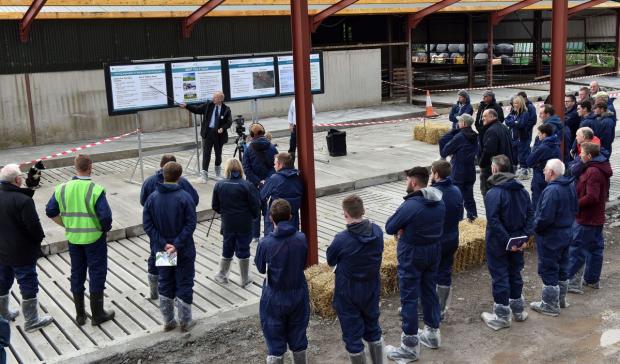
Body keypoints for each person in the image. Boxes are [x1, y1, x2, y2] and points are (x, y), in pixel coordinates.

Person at [384, 167, 445, 361]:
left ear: (413, 182)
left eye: (407, 179)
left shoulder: (410, 206)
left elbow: (389, 226)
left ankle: (409, 346)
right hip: (433, 250)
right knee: (429, 291)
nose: (406, 183)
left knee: (409, 296)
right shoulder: (439, 201)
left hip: (412, 253)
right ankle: (433, 334)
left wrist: (404, 229)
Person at [46, 154, 115, 326]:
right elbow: (105, 217)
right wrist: (103, 230)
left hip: (74, 239)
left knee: (77, 273)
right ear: (90, 167)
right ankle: (98, 314)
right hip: (94, 239)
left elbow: (50, 210)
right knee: (97, 273)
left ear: (74, 167)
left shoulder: (61, 188)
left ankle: (80, 315)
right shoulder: (95, 189)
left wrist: (67, 224)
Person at [326, 195, 384, 364]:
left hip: (348, 291)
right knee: (373, 327)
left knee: (352, 335)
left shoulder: (341, 239)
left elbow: (330, 261)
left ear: (345, 215)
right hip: (371, 287)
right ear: (363, 210)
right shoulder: (378, 231)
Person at [143, 162, 197, 332]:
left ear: (162, 175)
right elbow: (191, 224)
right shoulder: (185, 197)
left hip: (163, 249)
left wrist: (162, 243)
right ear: (179, 177)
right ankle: (185, 321)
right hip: (184, 249)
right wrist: (177, 244)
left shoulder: (152, 198)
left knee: (165, 281)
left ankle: (168, 321)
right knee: (184, 281)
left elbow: (148, 225)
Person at [481, 155, 534, 331]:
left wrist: (508, 240)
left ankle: (502, 316)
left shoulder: (494, 193)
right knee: (515, 273)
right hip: (517, 241)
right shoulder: (522, 191)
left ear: (495, 170)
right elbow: (530, 215)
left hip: (499, 243)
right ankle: (518, 311)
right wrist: (524, 237)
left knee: (500, 276)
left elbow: (494, 221)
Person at [255, 199, 310, 364]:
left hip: (274, 295)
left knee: (274, 337)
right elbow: (304, 262)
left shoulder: (265, 243)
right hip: (298, 292)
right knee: (298, 335)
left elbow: (261, 268)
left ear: (271, 218)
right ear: (291, 216)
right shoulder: (301, 238)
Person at [0, 164, 53, 331]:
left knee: (2, 281)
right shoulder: (24, 201)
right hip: (21, 251)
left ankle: (3, 315)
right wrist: (38, 241)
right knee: (28, 283)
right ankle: (31, 321)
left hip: (1, 250)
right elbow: (34, 228)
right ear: (17, 180)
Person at [530, 159, 577, 316]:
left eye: (545, 169)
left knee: (549, 268)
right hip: (567, 232)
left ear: (551, 173)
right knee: (563, 266)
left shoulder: (552, 191)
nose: (543, 172)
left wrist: (534, 228)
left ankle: (550, 305)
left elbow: (545, 218)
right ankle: (560, 300)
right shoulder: (570, 185)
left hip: (552, 236)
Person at [567, 143, 613, 294]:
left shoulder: (593, 171)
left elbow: (592, 196)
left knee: (577, 250)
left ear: (589, 156)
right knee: (595, 249)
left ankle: (568, 281)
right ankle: (592, 280)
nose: (579, 156)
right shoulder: (598, 167)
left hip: (587, 218)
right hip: (596, 217)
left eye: (582, 154)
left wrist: (575, 204)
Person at [211, 158, 260, 287]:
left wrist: (225, 212)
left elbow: (215, 206)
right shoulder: (247, 185)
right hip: (244, 223)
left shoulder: (219, 185)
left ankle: (222, 275)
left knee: (227, 247)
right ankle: (245, 279)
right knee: (243, 248)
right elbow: (255, 205)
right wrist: (253, 217)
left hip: (166, 243)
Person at [430, 160, 463, 320]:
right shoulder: (456, 190)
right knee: (445, 272)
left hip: (436, 240)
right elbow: (460, 216)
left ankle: (428, 309)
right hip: (452, 238)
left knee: (429, 274)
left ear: (436, 174)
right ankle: (441, 309)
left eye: (431, 172)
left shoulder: (431, 193)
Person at [180, 91, 232, 181]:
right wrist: (187, 106)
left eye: (215, 97)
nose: (213, 99)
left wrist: (223, 128)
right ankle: (204, 174)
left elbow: (229, 122)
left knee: (218, 154)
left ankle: (218, 173)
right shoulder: (209, 105)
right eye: (213, 97)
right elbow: (197, 110)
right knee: (206, 153)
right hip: (208, 133)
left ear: (220, 99)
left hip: (219, 134)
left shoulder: (226, 109)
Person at [243, 123, 279, 242]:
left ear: (252, 135)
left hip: (253, 185)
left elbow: (247, 169)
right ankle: (268, 234)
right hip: (269, 183)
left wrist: (258, 181)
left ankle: (255, 236)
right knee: (268, 209)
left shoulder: (248, 149)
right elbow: (275, 167)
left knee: (255, 209)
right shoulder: (272, 147)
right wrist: (267, 181)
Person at [439, 114, 478, 221]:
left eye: (459, 121)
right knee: (469, 198)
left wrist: (451, 133)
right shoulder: (475, 135)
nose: (457, 123)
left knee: (457, 198)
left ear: (464, 124)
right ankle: (473, 218)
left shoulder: (459, 136)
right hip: (470, 171)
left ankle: (458, 221)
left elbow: (444, 151)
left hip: (458, 172)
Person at [261, 152, 303, 235]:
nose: (274, 166)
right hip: (292, 218)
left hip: (275, 221)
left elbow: (262, 195)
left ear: (280, 165)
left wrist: (264, 184)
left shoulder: (274, 179)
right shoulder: (298, 178)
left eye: (275, 164)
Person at [478, 109, 514, 197]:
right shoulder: (504, 127)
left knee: (490, 196)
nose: (482, 118)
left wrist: (481, 164)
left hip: (493, 170)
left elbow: (488, 151)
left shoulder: (491, 131)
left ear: (492, 117)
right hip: (506, 166)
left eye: (484, 116)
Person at [526, 124, 560, 208]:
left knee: (537, 204)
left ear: (544, 134)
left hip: (540, 178)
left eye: (539, 133)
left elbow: (529, 161)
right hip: (552, 177)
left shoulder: (542, 147)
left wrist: (535, 149)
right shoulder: (556, 145)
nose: (538, 135)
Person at [504, 95, 532, 178]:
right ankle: (516, 170)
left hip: (522, 137)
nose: (514, 105)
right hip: (513, 137)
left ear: (521, 103)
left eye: (516, 103)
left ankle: (525, 171)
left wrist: (513, 122)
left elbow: (520, 124)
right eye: (513, 103)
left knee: (523, 155)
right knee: (514, 154)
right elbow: (506, 120)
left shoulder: (525, 113)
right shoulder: (513, 112)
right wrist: (514, 122)